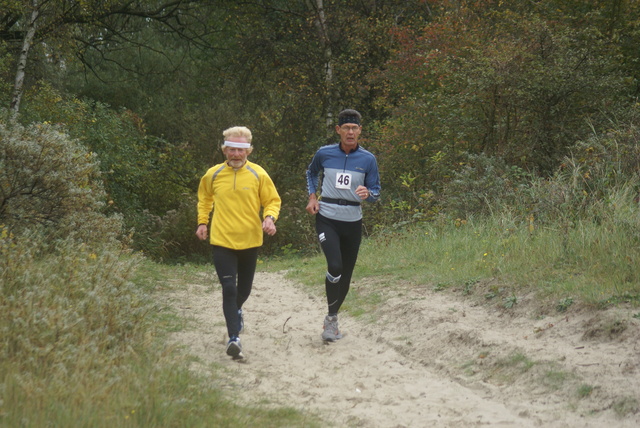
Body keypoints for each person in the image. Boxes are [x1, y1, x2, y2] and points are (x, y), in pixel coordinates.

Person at [196, 126, 281, 359]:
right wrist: (202, 223)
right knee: (229, 288)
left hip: (250, 241)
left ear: (249, 151)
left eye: (240, 150)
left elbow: (272, 200)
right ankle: (234, 338)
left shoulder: (258, 174)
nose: (235, 154)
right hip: (222, 240)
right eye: (231, 149)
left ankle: (237, 311)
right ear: (224, 150)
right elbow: (204, 199)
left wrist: (269, 218)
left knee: (243, 290)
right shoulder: (213, 174)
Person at [305, 109, 381, 341]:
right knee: (335, 265)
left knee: (346, 274)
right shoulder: (324, 153)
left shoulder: (368, 159)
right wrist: (312, 196)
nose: (350, 132)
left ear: (360, 131)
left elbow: (376, 192)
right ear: (338, 130)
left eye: (354, 128)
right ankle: (331, 320)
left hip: (352, 221)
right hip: (327, 217)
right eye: (346, 128)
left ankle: (332, 319)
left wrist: (367, 193)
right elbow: (311, 172)